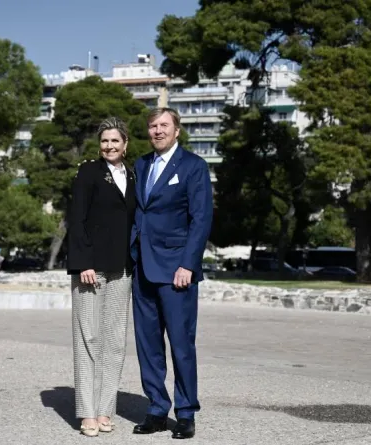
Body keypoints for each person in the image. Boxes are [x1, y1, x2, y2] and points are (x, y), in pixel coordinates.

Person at [130, 108, 213, 439]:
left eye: (164, 125)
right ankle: (155, 409)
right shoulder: (141, 165)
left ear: (177, 131)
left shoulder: (193, 166)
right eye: (153, 126)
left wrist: (188, 265)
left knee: (181, 344)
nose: (157, 131)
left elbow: (201, 218)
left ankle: (186, 411)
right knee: (148, 346)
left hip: (177, 270)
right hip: (143, 269)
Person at [67, 117, 136, 437]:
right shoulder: (88, 172)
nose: (109, 146)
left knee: (115, 342)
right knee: (88, 340)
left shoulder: (134, 175)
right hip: (90, 269)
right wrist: (83, 263)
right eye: (104, 141)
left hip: (122, 269)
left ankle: (107, 408)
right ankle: (87, 412)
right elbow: (77, 219)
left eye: (115, 141)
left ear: (126, 144)